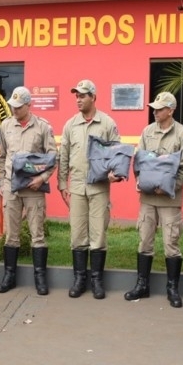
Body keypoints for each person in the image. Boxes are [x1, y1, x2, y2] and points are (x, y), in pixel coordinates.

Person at [124, 92, 183, 306]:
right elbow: (139, 162)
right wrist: (141, 181)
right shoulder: (147, 131)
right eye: (154, 108)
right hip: (147, 199)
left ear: (170, 110)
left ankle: (172, 289)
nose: (154, 111)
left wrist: (170, 187)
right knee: (145, 241)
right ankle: (142, 285)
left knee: (171, 243)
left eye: (159, 108)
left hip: (169, 200)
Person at [58, 79, 121, 299]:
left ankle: (96, 280)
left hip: (99, 187)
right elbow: (63, 156)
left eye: (83, 95)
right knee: (77, 235)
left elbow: (118, 152)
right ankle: (79, 279)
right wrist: (62, 183)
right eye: (76, 95)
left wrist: (116, 173)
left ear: (93, 97)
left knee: (98, 234)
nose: (78, 99)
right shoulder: (70, 125)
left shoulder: (107, 123)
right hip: (76, 188)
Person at [0, 86, 57, 295]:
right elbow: (2, 156)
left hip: (33, 188)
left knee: (37, 234)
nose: (15, 110)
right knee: (11, 234)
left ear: (29, 105)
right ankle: (9, 275)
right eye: (13, 106)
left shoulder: (42, 127)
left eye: (19, 107)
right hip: (12, 188)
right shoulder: (6, 126)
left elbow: (52, 158)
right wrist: (3, 182)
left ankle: (40, 277)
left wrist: (42, 178)